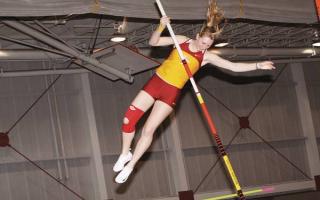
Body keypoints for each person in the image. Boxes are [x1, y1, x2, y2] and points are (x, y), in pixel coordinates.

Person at [113, 1, 275, 184]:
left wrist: (257, 65)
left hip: (170, 93)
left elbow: (233, 67)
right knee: (129, 118)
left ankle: (131, 166)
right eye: (203, 42)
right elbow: (153, 42)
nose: (204, 46)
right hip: (155, 83)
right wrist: (161, 27)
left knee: (149, 129)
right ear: (198, 36)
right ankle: (125, 154)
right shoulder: (181, 40)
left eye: (208, 44)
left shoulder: (206, 57)